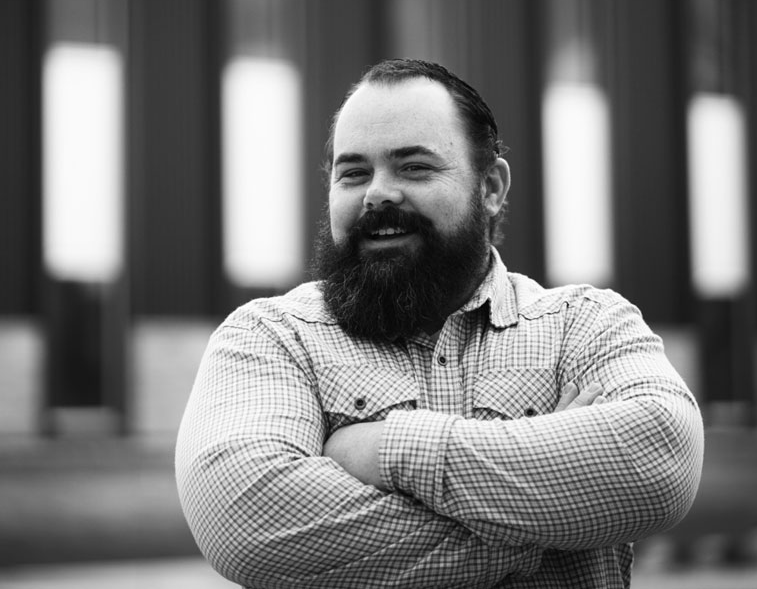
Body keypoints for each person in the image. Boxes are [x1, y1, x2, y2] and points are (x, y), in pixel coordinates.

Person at [175, 58, 703, 588]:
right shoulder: (272, 338)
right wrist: (545, 524)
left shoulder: (586, 325)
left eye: (415, 167)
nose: (378, 193)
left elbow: (660, 459)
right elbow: (247, 521)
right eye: (353, 172)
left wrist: (385, 450)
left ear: (490, 187)